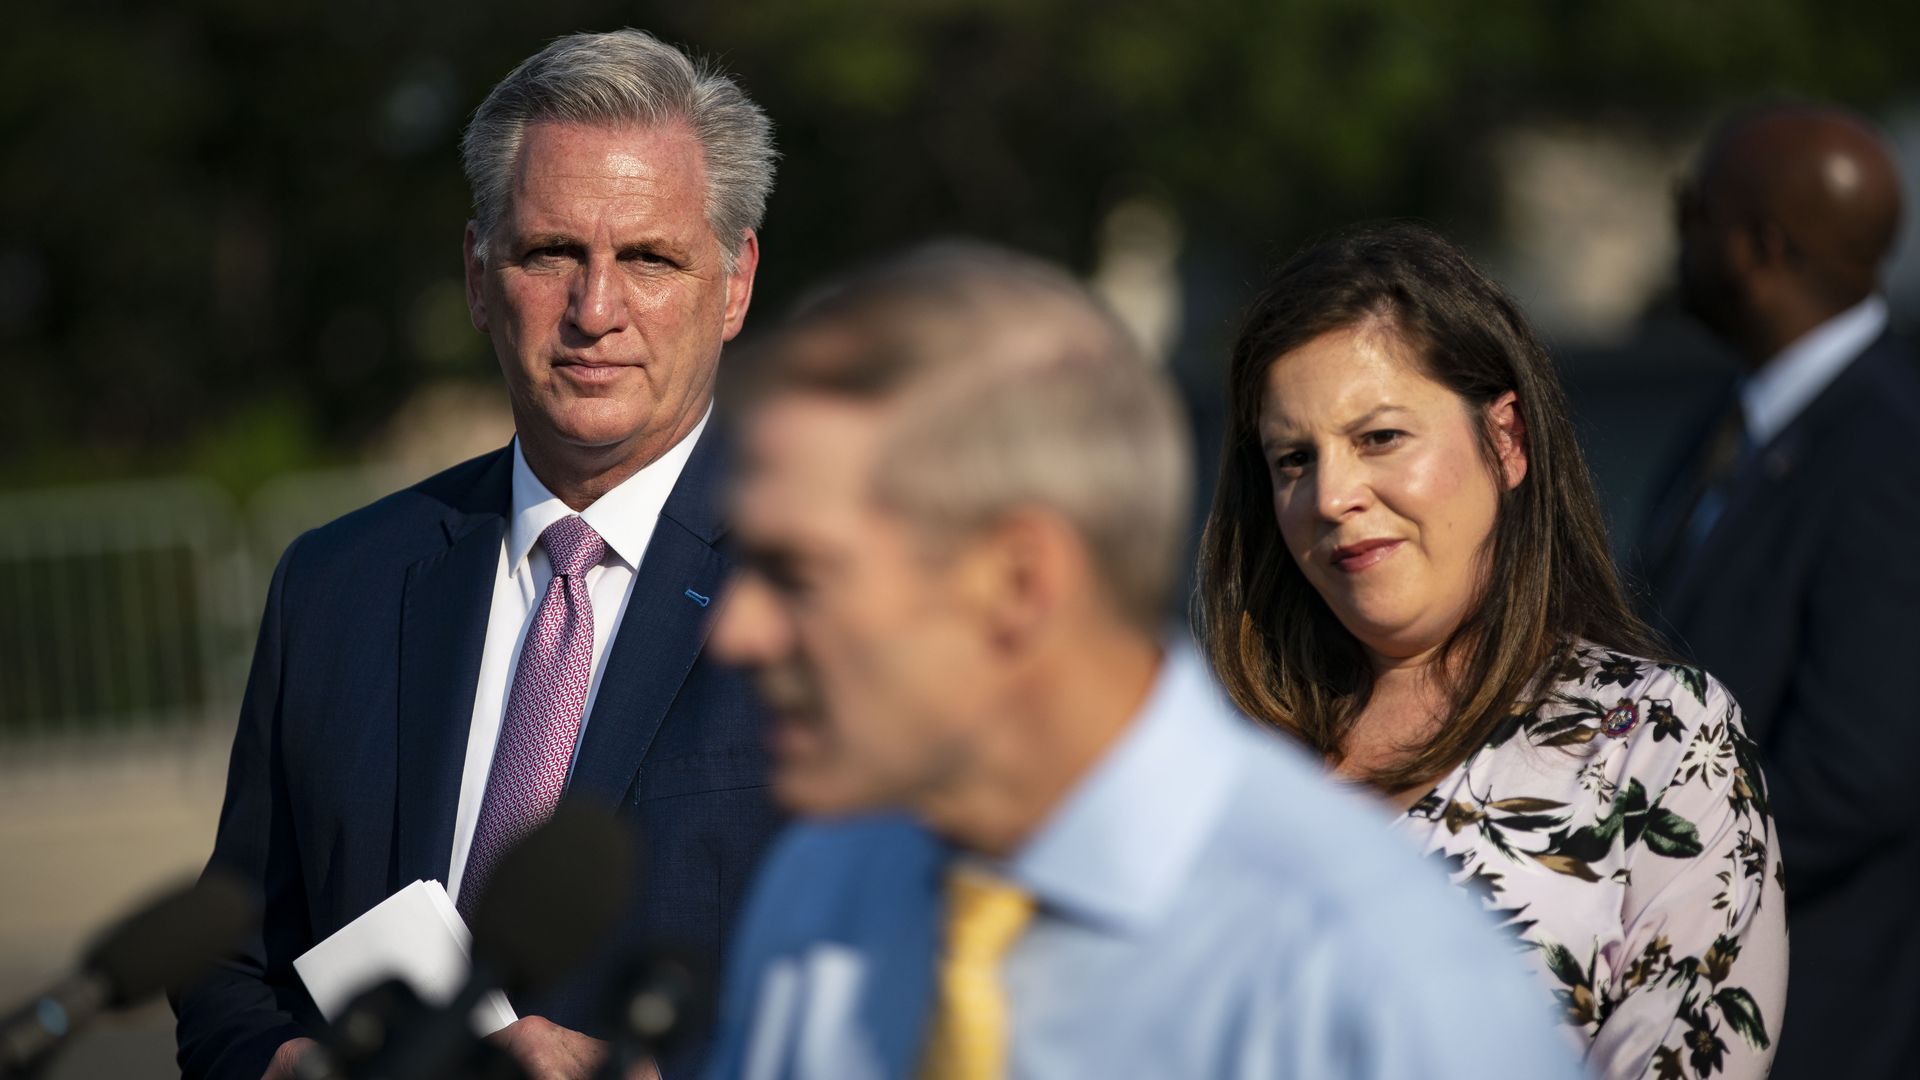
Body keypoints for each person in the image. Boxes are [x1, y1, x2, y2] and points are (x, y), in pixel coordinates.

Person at [701, 242, 1581, 1080]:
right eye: (1292, 459)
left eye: (798, 574)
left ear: (1018, 582)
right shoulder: (823, 891)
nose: (735, 631)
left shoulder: (1369, 975)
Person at [172, 30, 783, 1080]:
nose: (597, 312)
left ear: (733, 285)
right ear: (476, 273)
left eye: (648, 258)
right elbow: (231, 967)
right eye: (551, 254)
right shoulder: (335, 588)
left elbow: (924, 999)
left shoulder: (825, 593)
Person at [1195, 222, 1787, 1079]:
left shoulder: (1654, 740)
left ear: (1505, 440)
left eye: (1379, 438)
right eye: (1293, 458)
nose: (1332, 495)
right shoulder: (1221, 764)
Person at [1638, 104, 1920, 1080]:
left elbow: (1859, 772)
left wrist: (1635, 858)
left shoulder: (1890, 451)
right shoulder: (1728, 420)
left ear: (1758, 247)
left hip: (1817, 1024)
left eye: (1693, 208)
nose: (1676, 232)